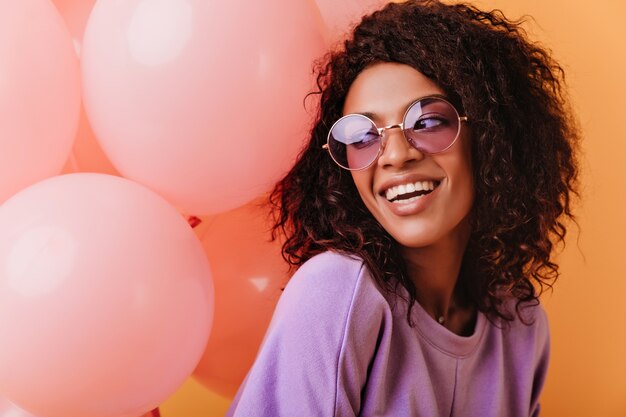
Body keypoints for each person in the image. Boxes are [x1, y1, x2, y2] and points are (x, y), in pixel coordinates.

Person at [227, 1, 579, 416]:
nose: (393, 156)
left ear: (487, 132)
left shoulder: (519, 325)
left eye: (427, 122)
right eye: (361, 136)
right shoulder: (337, 291)